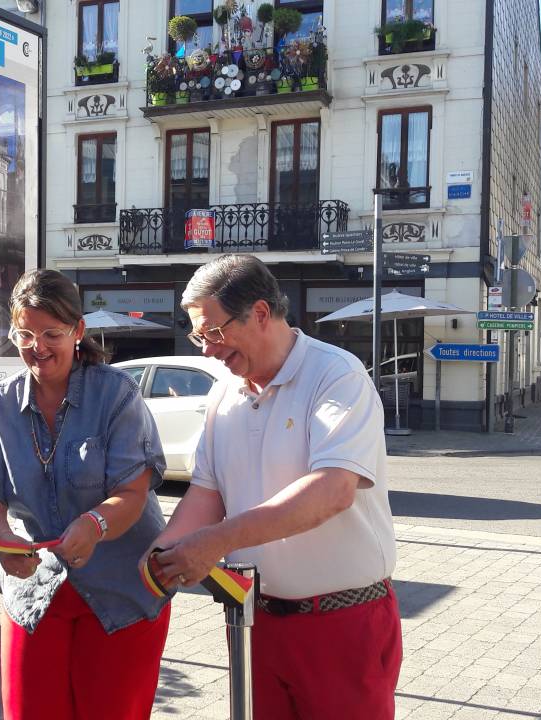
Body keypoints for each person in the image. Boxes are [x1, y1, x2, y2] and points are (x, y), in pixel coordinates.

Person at [150, 255, 401, 720]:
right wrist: (159, 558)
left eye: (214, 333)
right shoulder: (224, 393)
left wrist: (217, 542)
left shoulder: (336, 375)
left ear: (261, 313)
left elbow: (332, 490)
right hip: (253, 620)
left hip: (342, 623)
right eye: (197, 337)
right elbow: (206, 494)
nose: (206, 350)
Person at [0, 269, 171, 720]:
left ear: (78, 331)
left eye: (51, 334)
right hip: (35, 587)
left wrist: (95, 523)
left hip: (122, 591)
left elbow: (132, 493)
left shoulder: (116, 394)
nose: (36, 347)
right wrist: (1, 539)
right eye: (24, 333)